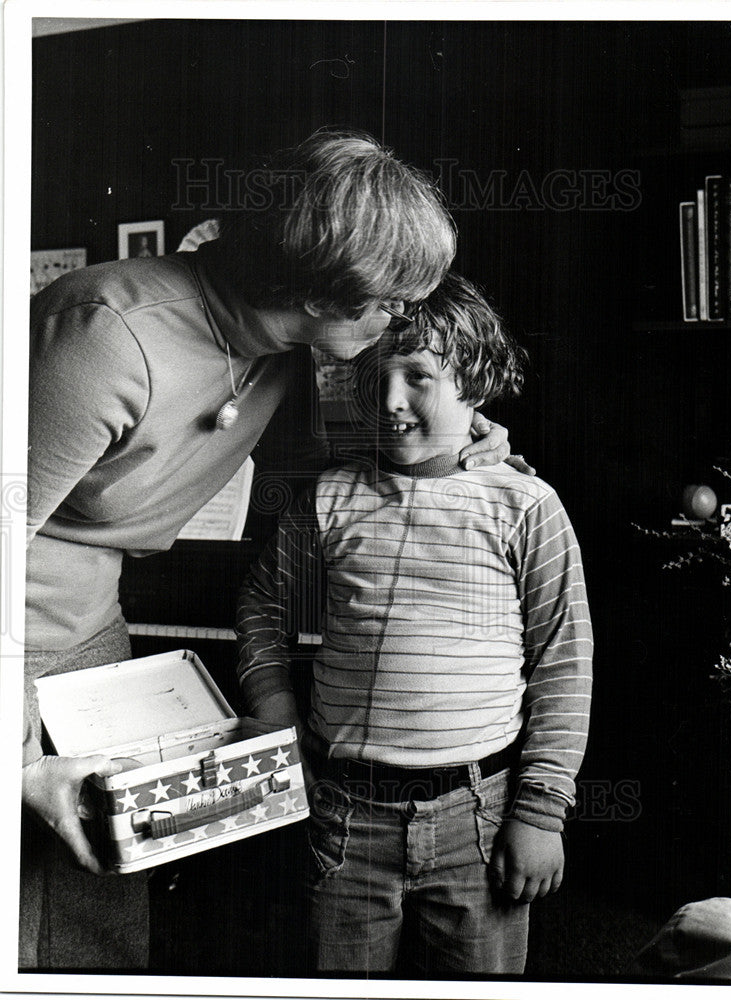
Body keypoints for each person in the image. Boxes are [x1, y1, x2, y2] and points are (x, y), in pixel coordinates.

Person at [21, 130, 513, 970]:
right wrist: (22, 764)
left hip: (88, 632)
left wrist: (455, 445)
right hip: (13, 641)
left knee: (94, 916)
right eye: (391, 299)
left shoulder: (284, 349)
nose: (400, 317)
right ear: (322, 287)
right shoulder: (104, 331)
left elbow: (342, 462)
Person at [236, 273, 594, 975]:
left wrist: (542, 810)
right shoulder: (330, 498)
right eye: (373, 374)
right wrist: (276, 716)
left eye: (418, 376)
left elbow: (562, 659)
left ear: (476, 382)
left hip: (477, 814)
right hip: (342, 812)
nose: (389, 399)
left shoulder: (525, 504)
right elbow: (263, 606)